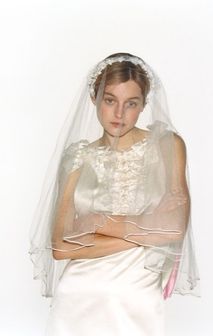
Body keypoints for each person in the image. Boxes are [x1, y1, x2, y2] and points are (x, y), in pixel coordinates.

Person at [29, 52, 200, 335]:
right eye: (110, 100)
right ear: (94, 98)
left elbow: (174, 230)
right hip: (78, 294)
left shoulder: (168, 146)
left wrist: (99, 222)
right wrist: (148, 224)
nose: (119, 114)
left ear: (144, 104)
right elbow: (60, 248)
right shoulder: (77, 157)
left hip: (137, 296)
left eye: (131, 103)